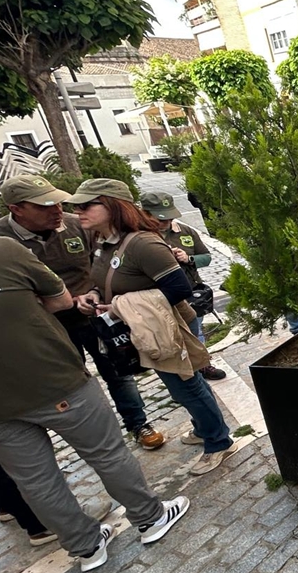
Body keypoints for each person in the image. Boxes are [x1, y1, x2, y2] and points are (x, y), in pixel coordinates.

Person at [0, 238, 190, 572]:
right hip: (54, 379)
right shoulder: (4, 249)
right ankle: (151, 518)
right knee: (106, 452)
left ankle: (86, 548)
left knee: (36, 481)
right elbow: (59, 300)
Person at [66, 179, 238, 475]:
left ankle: (218, 441)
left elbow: (178, 288)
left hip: (166, 326)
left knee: (187, 386)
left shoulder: (143, 243)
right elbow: (103, 280)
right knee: (184, 385)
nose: (77, 211)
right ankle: (205, 428)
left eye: (86, 205)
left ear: (112, 205)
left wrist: (120, 307)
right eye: (76, 205)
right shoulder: (104, 241)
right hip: (145, 326)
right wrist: (94, 295)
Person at [0, 175, 165, 451]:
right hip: (44, 328)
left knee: (118, 372)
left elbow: (102, 265)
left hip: (92, 316)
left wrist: (94, 294)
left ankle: (138, 424)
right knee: (67, 385)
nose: (57, 210)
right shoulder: (1, 240)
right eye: (44, 206)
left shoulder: (78, 227)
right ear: (16, 209)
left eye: (58, 202)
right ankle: (87, 439)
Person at [139, 191, 226, 381]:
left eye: (168, 217)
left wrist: (188, 258)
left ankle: (202, 365)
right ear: (145, 214)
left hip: (189, 292)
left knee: (196, 332)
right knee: (170, 338)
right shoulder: (139, 237)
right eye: (160, 218)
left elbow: (207, 257)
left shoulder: (185, 231)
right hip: (158, 297)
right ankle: (181, 373)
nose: (165, 222)